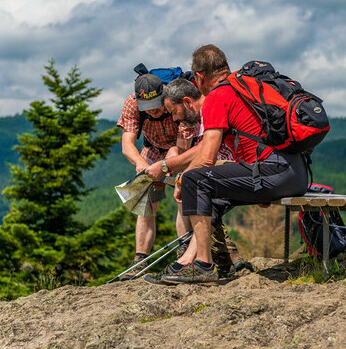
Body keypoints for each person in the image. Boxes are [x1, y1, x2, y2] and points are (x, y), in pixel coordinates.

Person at [159, 44, 309, 284]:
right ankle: (189, 259)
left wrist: (180, 178)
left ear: (198, 77)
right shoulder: (245, 87)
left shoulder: (218, 96)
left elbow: (207, 157)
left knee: (193, 180)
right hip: (296, 173)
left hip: (272, 172)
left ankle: (204, 265)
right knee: (214, 196)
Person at [145, 78, 248, 275]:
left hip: (241, 168)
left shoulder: (210, 107)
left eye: (174, 112)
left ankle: (196, 258)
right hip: (233, 168)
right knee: (195, 182)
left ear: (186, 102)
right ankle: (221, 260)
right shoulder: (203, 113)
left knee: (196, 182)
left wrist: (171, 169)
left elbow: (206, 152)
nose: (175, 120)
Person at [116, 73, 196, 280]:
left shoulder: (176, 98)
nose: (153, 110)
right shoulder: (131, 103)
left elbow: (182, 146)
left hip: (180, 150)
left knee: (182, 196)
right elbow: (127, 145)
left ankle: (184, 251)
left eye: (157, 104)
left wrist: (168, 164)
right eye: (147, 106)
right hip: (151, 149)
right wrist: (142, 165)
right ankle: (140, 259)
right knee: (146, 204)